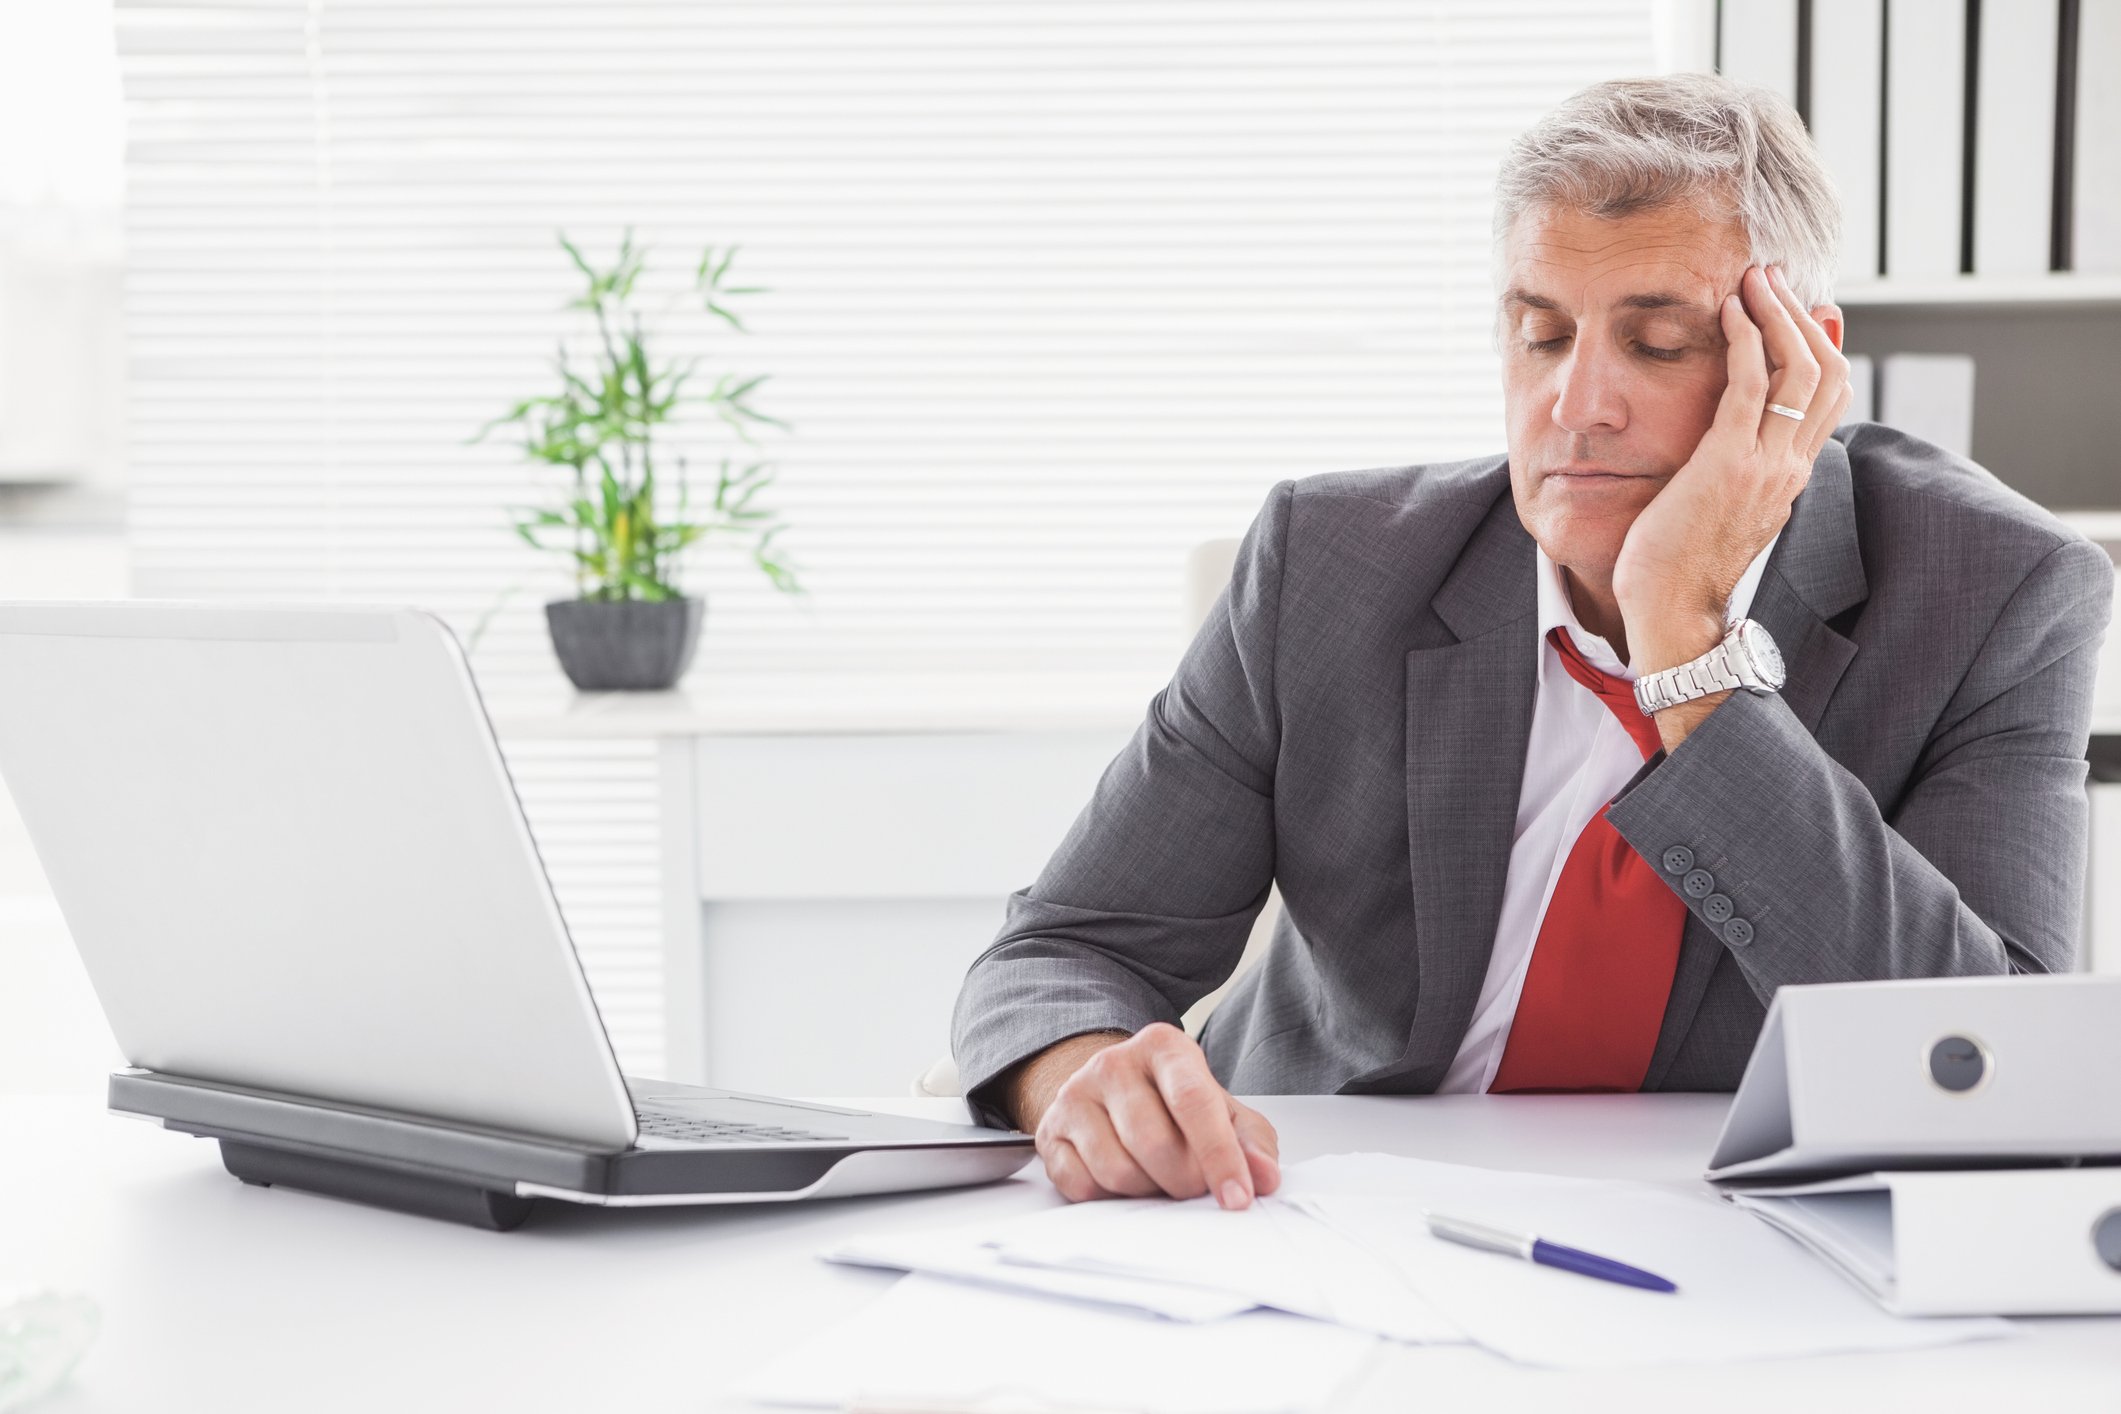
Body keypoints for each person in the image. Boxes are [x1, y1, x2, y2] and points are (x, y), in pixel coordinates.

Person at [949, 73, 2115, 1211]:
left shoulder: (1998, 591)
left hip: (1731, 1240)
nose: (1577, 403)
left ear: (1793, 369)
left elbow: (1991, 1066)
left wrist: (1686, 641)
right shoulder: (1331, 562)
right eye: (1541, 334)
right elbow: (1064, 950)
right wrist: (1084, 1077)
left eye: (1657, 342)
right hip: (1308, 1214)